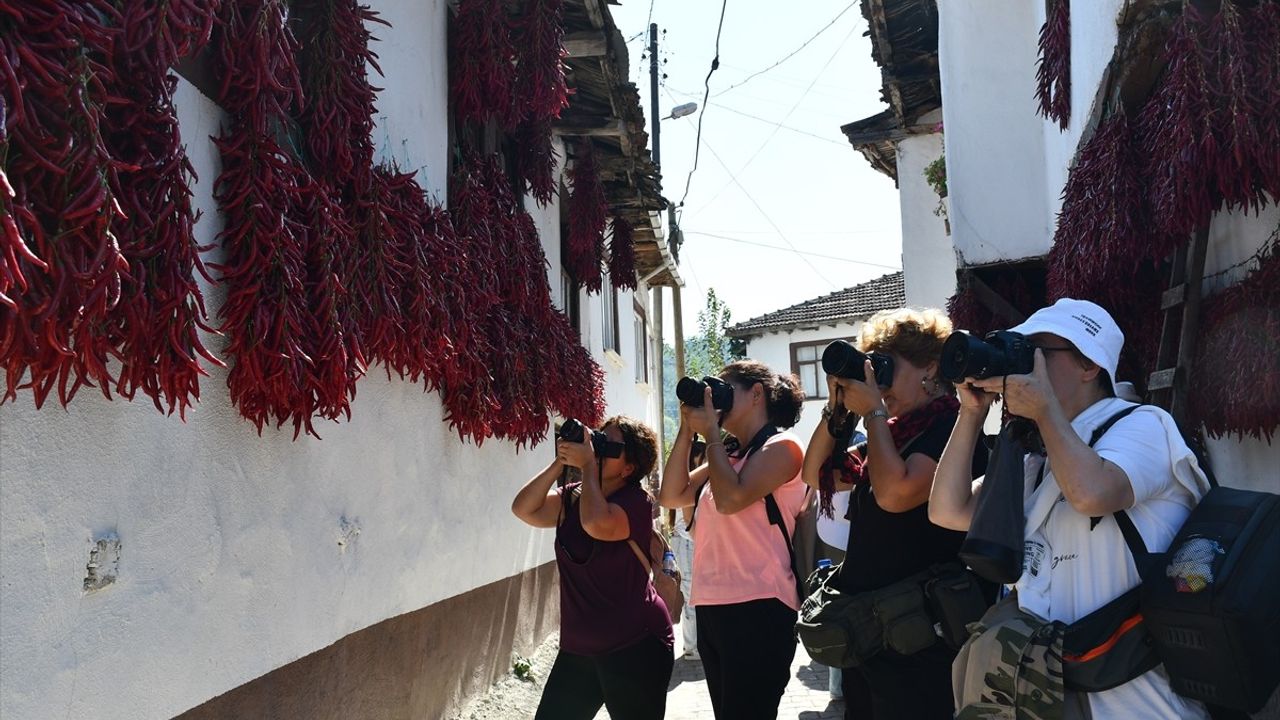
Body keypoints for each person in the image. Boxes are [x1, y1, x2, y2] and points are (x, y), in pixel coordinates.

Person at [929, 298, 1211, 719]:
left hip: (1139, 700)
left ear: (1090, 366)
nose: (1025, 367)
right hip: (1052, 691)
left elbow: (1091, 493)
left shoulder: (1143, 425)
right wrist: (971, 413)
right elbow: (948, 510)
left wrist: (1042, 408)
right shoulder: (1034, 455)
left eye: (1037, 352)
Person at [801, 307, 989, 720]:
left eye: (885, 368)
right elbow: (815, 474)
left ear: (931, 367)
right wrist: (837, 410)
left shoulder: (953, 430)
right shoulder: (895, 434)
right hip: (871, 629)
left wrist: (873, 414)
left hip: (919, 635)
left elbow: (895, 493)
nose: (878, 382)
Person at [659, 360, 808, 720]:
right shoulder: (728, 453)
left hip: (760, 605)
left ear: (757, 394)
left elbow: (729, 500)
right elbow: (672, 495)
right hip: (713, 604)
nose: (716, 400)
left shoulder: (783, 447)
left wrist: (711, 433)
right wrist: (685, 430)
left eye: (724, 390)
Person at [511, 416, 673, 720]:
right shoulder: (573, 495)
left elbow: (597, 524)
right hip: (579, 648)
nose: (596, 450)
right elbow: (524, 509)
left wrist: (586, 466)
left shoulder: (636, 502)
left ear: (629, 468)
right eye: (598, 440)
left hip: (635, 645)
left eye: (608, 447)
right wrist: (562, 461)